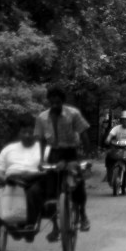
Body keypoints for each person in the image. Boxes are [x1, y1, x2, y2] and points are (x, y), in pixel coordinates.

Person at [35, 85, 92, 235]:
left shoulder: (73, 114)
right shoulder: (42, 118)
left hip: (70, 152)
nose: (55, 105)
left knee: (77, 185)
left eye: (58, 102)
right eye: (52, 102)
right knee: (49, 191)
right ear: (48, 102)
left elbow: (84, 134)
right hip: (53, 154)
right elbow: (41, 141)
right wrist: (41, 160)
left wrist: (87, 156)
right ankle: (55, 226)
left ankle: (83, 215)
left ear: (63, 101)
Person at [0, 116, 50, 234]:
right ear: (19, 133)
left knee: (33, 191)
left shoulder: (45, 149)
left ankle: (29, 223)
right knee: (14, 188)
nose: (27, 135)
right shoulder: (8, 149)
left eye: (30, 132)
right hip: (13, 179)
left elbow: (50, 168)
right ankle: (12, 220)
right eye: (24, 132)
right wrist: (5, 179)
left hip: (35, 179)